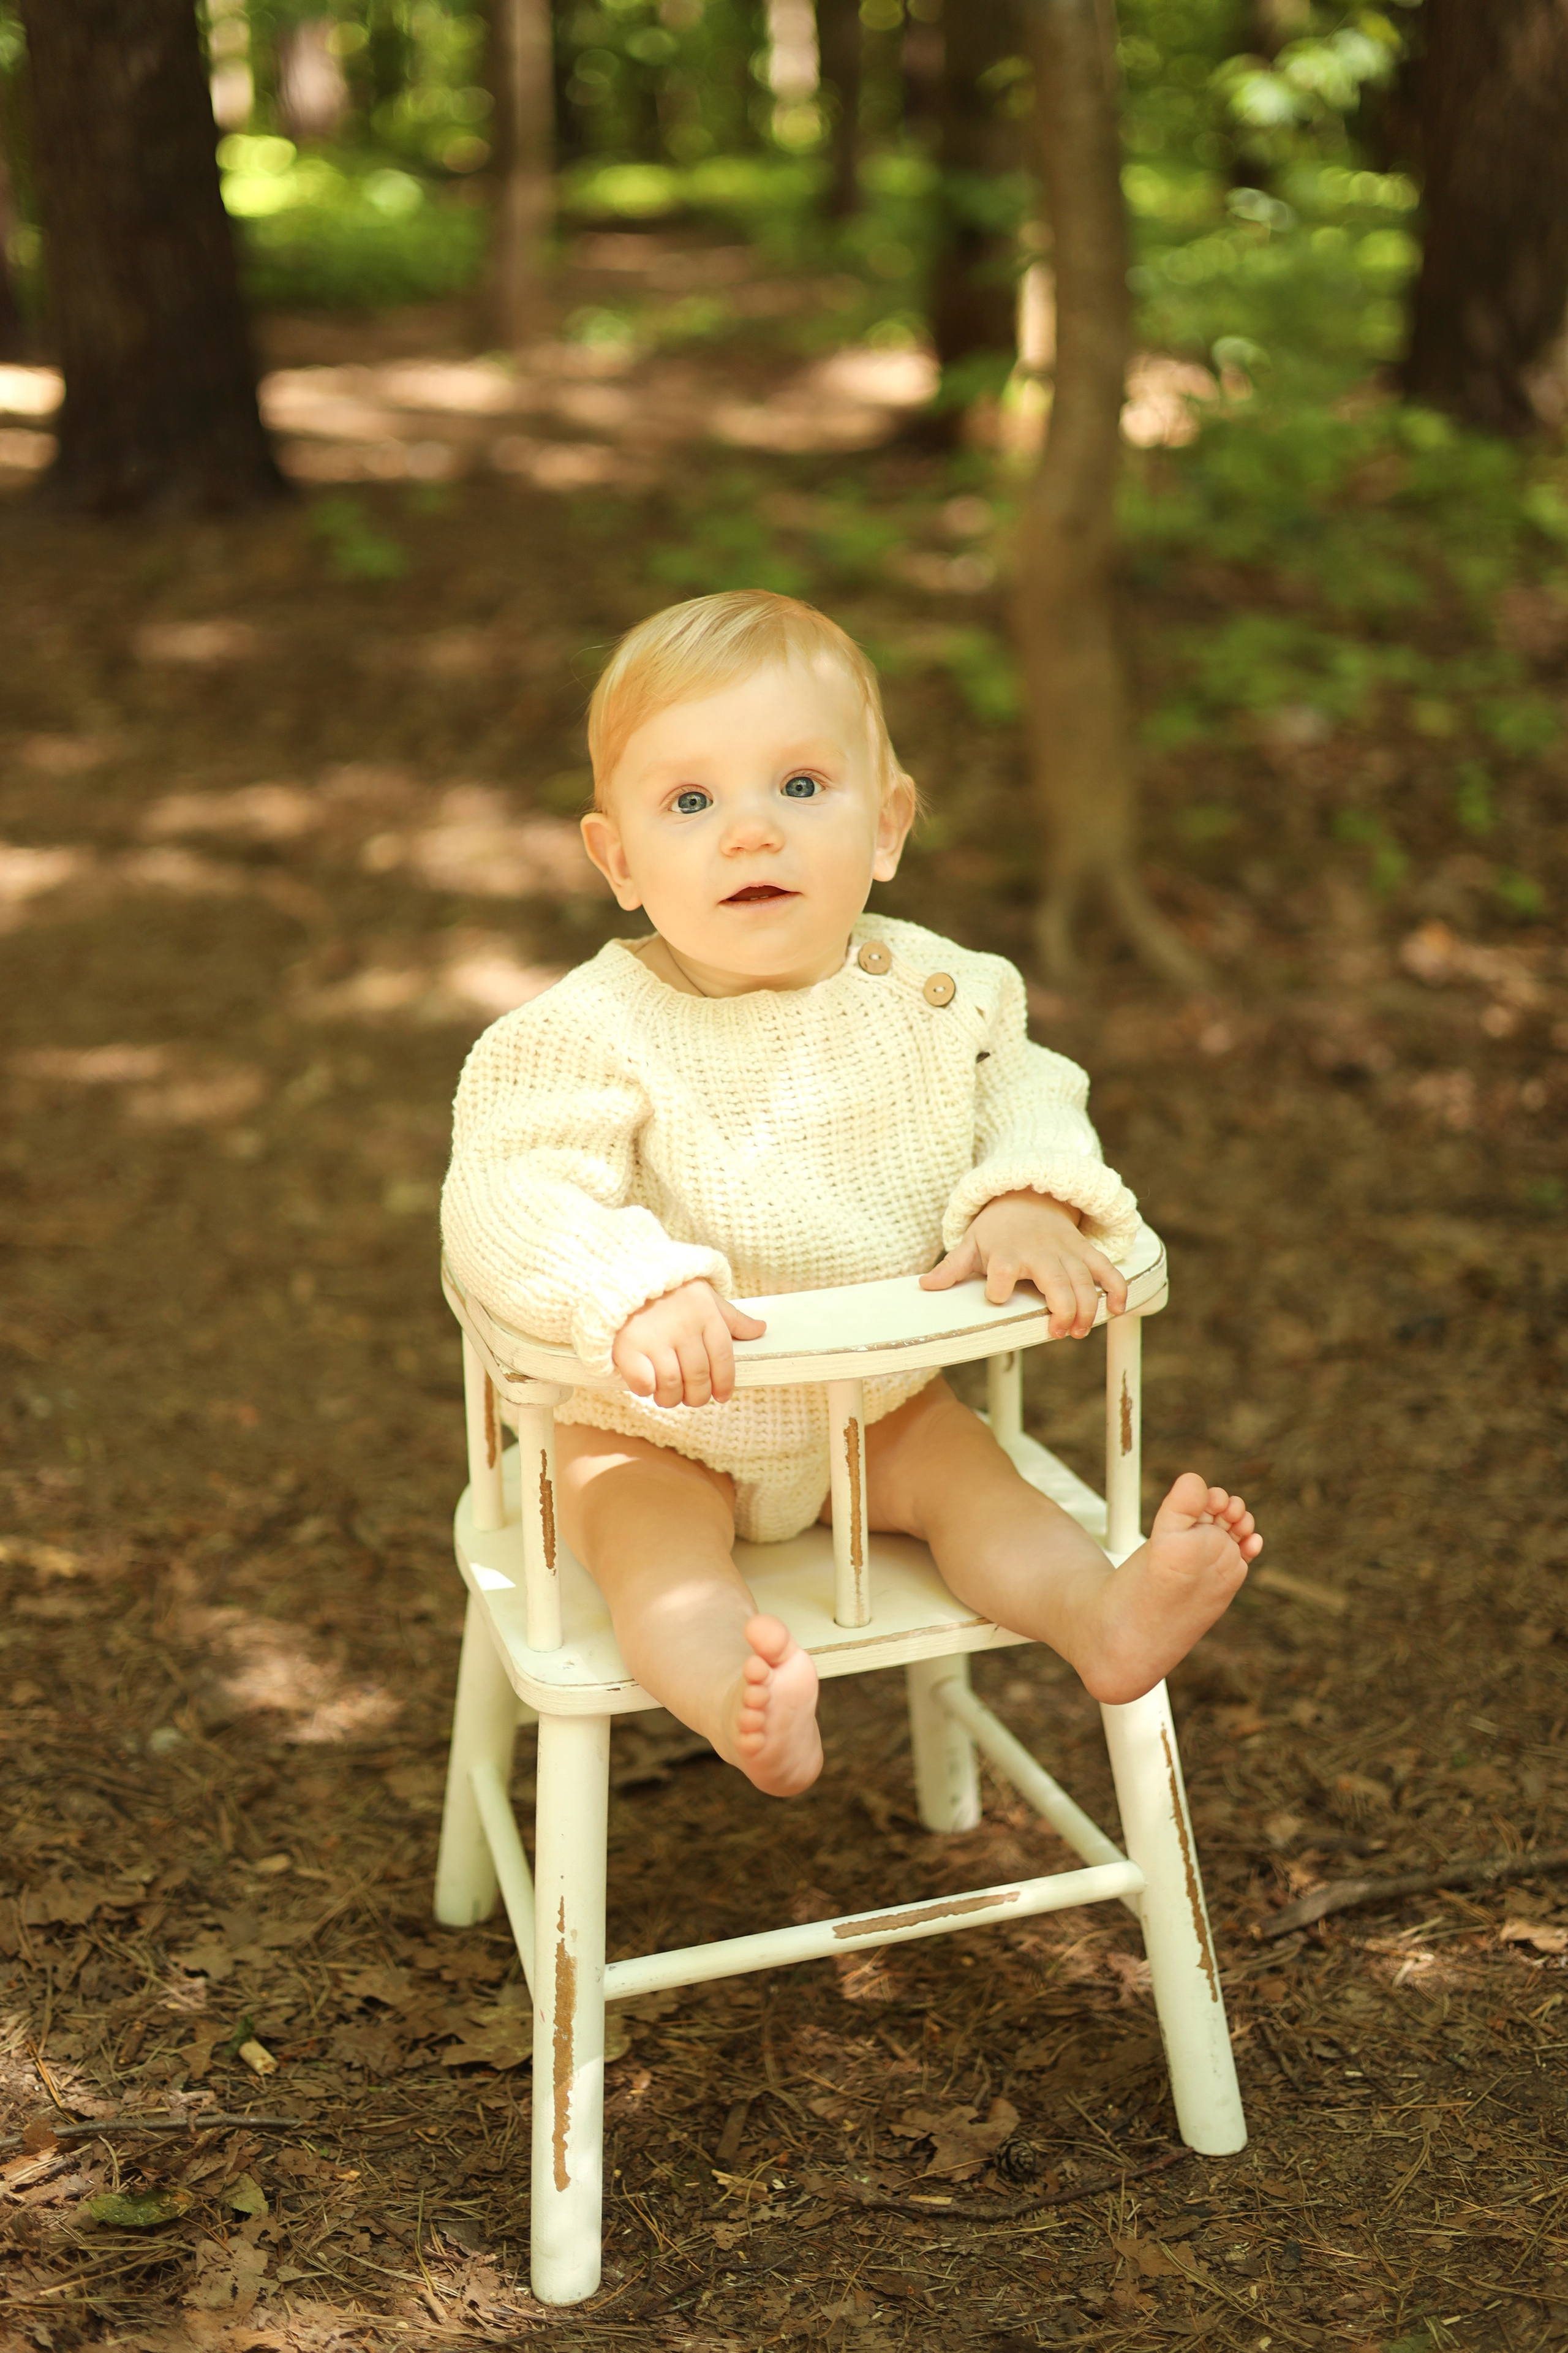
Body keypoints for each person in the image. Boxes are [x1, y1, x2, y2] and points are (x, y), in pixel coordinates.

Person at [441, 592, 1261, 1799]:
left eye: (800, 787)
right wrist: (629, 1287)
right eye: (689, 802)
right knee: (654, 1558)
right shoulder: (579, 1034)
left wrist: (1023, 1200)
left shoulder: (940, 994)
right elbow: (510, 1189)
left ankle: (1100, 1614)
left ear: (884, 827)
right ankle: (738, 1691)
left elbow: (1027, 1094)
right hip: (657, 1424)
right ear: (617, 859)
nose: (749, 834)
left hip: (878, 1405)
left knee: (986, 1492)